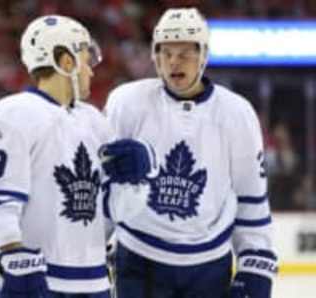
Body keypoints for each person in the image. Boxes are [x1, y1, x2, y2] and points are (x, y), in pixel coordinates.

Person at [0, 15, 151, 298]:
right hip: (32, 282)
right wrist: (14, 255)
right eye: (86, 61)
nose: (91, 70)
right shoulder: (11, 114)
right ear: (66, 62)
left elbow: (118, 211)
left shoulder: (96, 122)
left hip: (92, 283)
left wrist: (136, 180)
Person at [103, 7, 278, 298]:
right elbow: (101, 188)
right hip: (138, 259)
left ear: (204, 55)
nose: (174, 61)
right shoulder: (127, 103)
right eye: (166, 52)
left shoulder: (237, 113)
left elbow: (251, 198)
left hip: (209, 267)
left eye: (185, 53)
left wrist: (256, 265)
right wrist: (89, 253)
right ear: (154, 55)